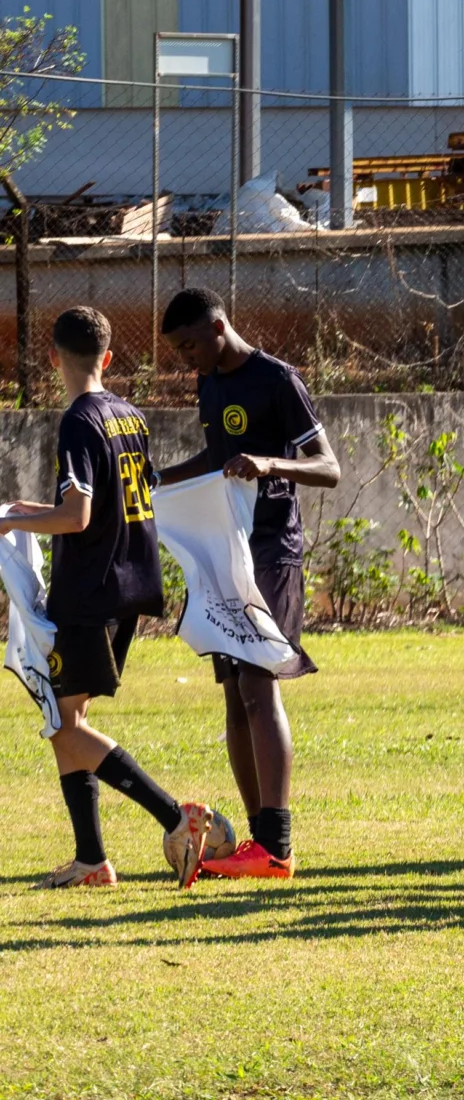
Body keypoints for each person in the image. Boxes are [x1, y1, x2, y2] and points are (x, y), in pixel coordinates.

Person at [6, 308, 214, 889]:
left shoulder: (78, 420)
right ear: (110, 358)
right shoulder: (128, 414)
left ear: (52, 359)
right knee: (67, 720)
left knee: (63, 726)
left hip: (89, 593)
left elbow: (78, 515)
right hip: (126, 587)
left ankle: (178, 817)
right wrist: (28, 513)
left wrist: (7, 527)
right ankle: (91, 859)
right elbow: (128, 497)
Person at [158, 288, 335, 880]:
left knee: (260, 687)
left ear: (218, 326)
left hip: (271, 551)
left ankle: (277, 847)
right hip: (224, 552)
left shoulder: (278, 380)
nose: (185, 360)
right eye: (178, 351)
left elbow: (328, 467)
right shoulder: (209, 381)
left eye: (188, 346)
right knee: (234, 694)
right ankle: (256, 845)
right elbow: (217, 455)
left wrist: (270, 463)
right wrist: (154, 479)